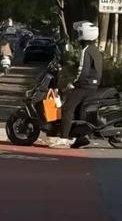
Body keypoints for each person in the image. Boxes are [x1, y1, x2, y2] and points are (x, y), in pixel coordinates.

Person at [50, 21, 103, 149]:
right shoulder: (95, 50)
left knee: (67, 108)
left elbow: (82, 71)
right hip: (93, 86)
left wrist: (73, 83)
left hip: (84, 86)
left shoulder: (86, 50)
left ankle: (63, 138)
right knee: (79, 109)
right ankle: (81, 137)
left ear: (85, 34)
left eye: (79, 32)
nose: (78, 35)